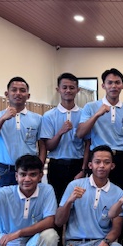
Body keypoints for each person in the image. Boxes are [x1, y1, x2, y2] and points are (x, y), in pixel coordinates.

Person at [77, 68, 123, 192]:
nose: (113, 86)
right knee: (96, 192)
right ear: (103, 86)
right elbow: (80, 133)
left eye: (117, 82)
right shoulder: (91, 107)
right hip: (99, 157)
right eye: (110, 83)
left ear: (122, 86)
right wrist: (97, 114)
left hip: (121, 158)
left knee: (121, 194)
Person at [0, 77, 46, 188]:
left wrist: (40, 167)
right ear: (7, 94)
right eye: (14, 90)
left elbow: (42, 145)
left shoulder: (38, 118)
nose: (18, 93)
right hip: (4, 170)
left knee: (31, 199)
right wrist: (3, 119)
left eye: (22, 90)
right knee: (3, 199)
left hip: (29, 170)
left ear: (28, 96)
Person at [40, 72, 89, 202]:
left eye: (72, 88)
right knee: (57, 202)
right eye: (64, 87)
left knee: (79, 203)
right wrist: (60, 132)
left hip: (77, 165)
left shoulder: (84, 114)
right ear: (58, 90)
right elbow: (49, 146)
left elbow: (87, 144)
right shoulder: (49, 116)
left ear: (77, 90)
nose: (68, 91)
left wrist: (83, 169)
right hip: (57, 166)